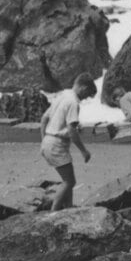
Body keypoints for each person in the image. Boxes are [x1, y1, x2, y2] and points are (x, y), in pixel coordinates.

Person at [41, 74, 96, 211]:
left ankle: (69, 207)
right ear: (83, 88)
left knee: (68, 179)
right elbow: (72, 130)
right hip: (57, 145)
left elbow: (44, 118)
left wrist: (44, 141)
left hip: (48, 141)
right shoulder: (74, 102)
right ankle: (54, 212)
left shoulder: (63, 95)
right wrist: (84, 151)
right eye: (88, 95)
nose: (86, 99)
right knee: (69, 181)